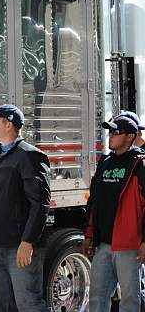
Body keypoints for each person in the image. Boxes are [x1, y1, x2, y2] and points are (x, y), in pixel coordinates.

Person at [0, 104, 51, 312]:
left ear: (8, 125)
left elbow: (40, 202)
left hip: (19, 247)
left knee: (29, 304)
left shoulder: (29, 156)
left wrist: (27, 241)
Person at [82, 116, 145, 312]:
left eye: (116, 132)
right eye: (110, 132)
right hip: (103, 244)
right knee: (97, 299)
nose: (110, 136)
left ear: (130, 137)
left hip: (129, 246)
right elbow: (94, 202)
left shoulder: (140, 164)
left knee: (129, 301)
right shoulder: (105, 162)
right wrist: (89, 234)